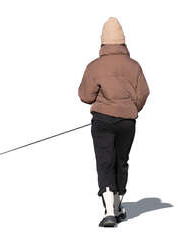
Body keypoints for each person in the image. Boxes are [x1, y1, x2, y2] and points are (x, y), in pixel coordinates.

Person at [78, 17, 150, 227]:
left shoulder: (94, 66)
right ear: (123, 42)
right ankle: (118, 207)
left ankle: (109, 211)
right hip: (128, 122)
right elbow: (143, 94)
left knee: (105, 161)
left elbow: (85, 96)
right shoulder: (134, 66)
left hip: (102, 121)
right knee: (121, 161)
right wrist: (130, 108)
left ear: (102, 43)